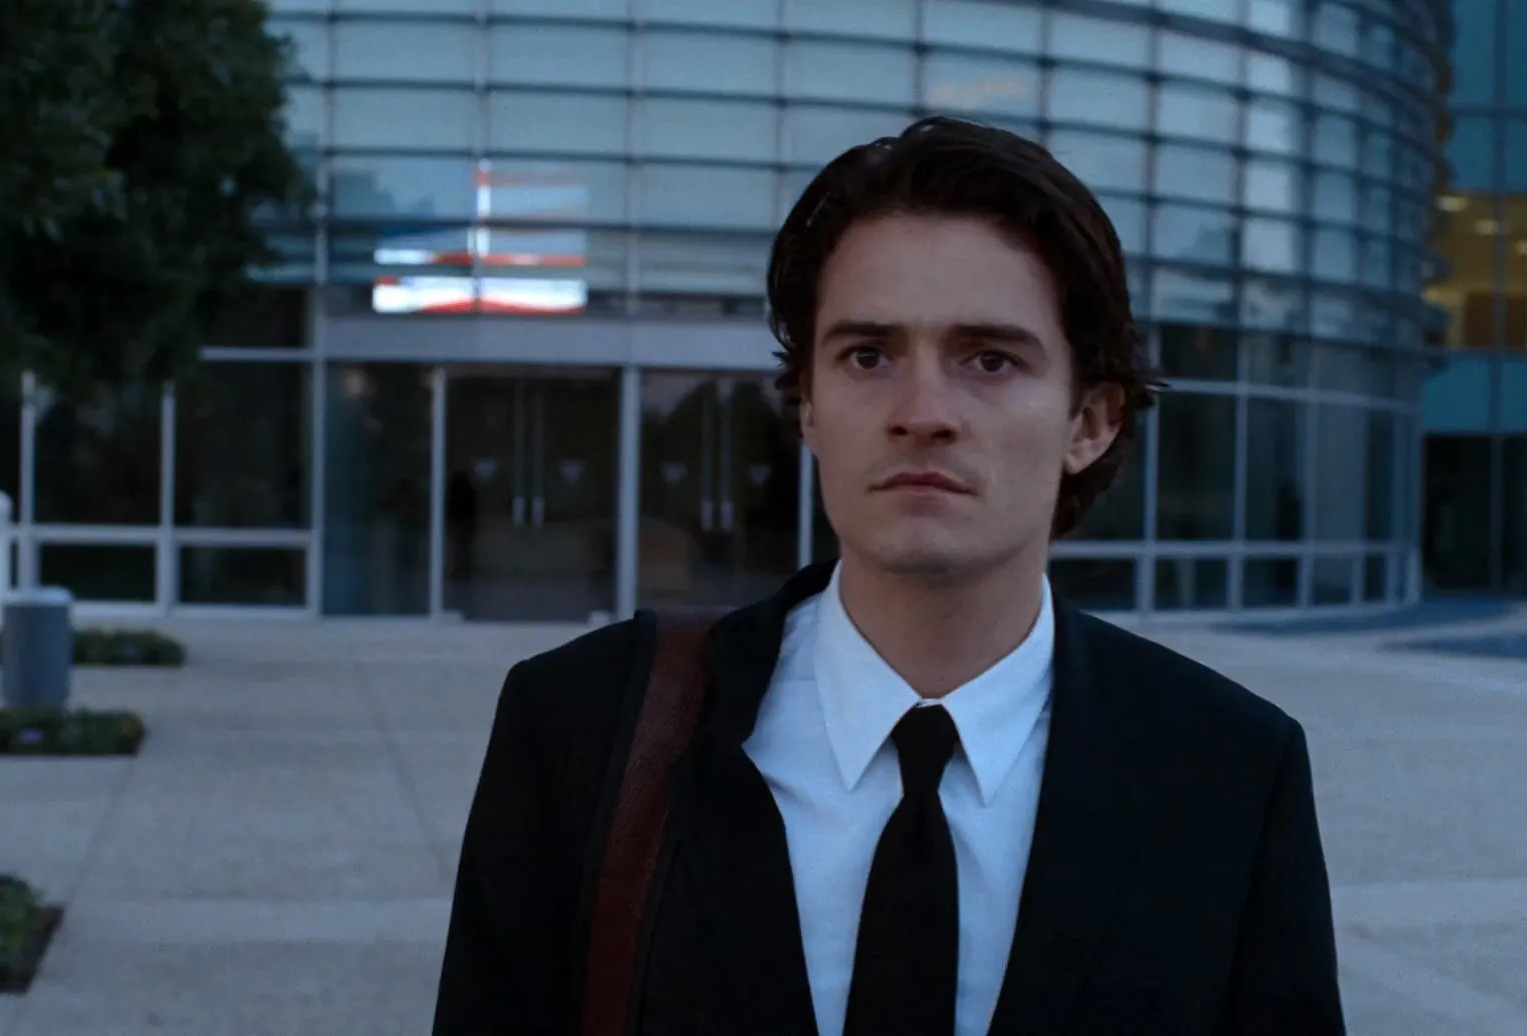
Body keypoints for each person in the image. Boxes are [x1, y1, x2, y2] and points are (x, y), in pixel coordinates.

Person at [433, 116, 1344, 1036]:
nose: (922, 412)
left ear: (1091, 422)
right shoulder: (583, 729)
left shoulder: (1227, 773)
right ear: (809, 407)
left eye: (990, 359)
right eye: (868, 356)